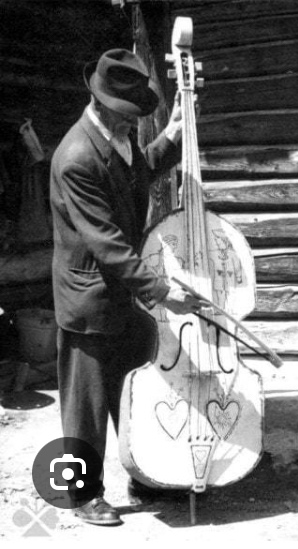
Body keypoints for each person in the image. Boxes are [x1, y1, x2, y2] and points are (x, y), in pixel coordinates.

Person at [50, 49, 205, 526]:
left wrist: (173, 135)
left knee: (134, 392)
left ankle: (145, 471)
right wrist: (160, 291)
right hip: (90, 296)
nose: (131, 122)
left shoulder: (117, 138)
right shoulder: (76, 156)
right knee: (87, 404)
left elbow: (138, 175)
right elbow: (107, 243)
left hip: (122, 292)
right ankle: (78, 495)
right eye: (126, 114)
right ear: (99, 103)